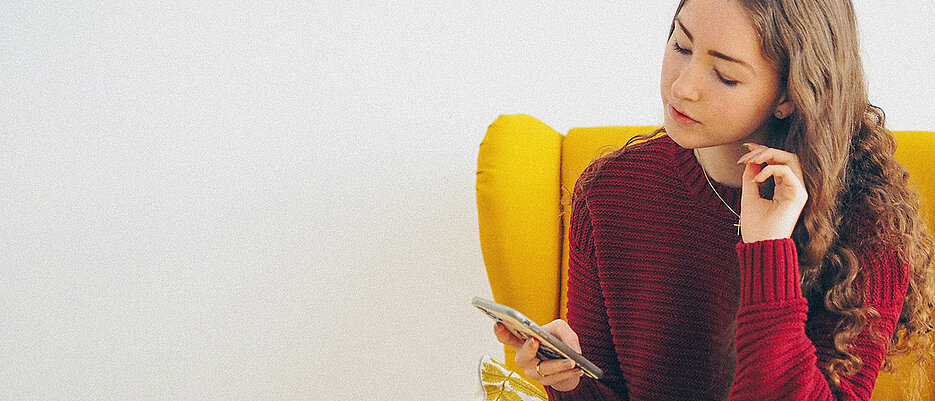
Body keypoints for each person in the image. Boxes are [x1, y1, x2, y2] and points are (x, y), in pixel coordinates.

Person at [493, 0, 935, 399]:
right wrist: (571, 382)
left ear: (788, 95)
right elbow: (607, 388)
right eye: (681, 46)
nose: (682, 87)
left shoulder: (868, 222)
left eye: (725, 75)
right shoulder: (609, 191)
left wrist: (768, 250)